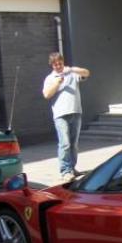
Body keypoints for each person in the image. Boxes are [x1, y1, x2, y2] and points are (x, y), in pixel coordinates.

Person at [42, 52, 90, 182]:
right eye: (55, 64)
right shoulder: (50, 78)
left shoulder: (72, 74)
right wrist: (57, 84)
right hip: (60, 114)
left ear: (63, 62)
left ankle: (72, 168)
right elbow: (46, 95)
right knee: (65, 143)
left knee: (74, 144)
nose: (58, 66)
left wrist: (73, 69)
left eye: (60, 63)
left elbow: (86, 73)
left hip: (75, 111)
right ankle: (65, 171)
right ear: (52, 65)